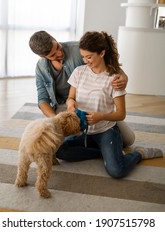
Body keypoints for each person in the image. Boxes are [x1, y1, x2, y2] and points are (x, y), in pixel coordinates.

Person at [56, 31, 163, 178]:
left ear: (101, 53)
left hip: (106, 130)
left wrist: (101, 116)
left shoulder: (114, 79)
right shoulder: (78, 72)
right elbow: (70, 97)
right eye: (83, 57)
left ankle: (139, 153)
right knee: (61, 151)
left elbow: (121, 114)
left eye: (89, 57)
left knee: (117, 171)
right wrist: (70, 105)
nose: (85, 61)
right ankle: (105, 153)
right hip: (83, 130)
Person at [29, 30, 134, 147]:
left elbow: (105, 59)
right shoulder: (41, 68)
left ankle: (103, 146)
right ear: (42, 57)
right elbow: (42, 99)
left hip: (93, 102)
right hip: (65, 106)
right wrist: (56, 120)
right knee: (62, 144)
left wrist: (123, 76)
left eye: (58, 46)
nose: (59, 53)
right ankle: (102, 148)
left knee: (128, 140)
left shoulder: (77, 49)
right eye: (53, 55)